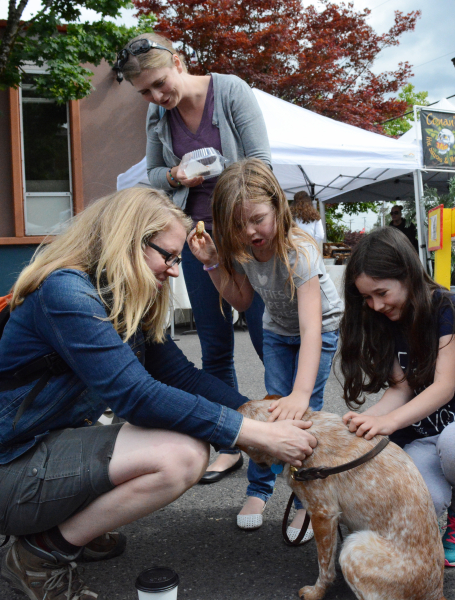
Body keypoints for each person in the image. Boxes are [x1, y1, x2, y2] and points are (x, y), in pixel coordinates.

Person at [0, 188, 317, 600]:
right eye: (170, 256)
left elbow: (181, 376)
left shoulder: (120, 296)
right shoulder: (66, 292)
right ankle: (40, 553)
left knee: (184, 438)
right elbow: (135, 396)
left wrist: (259, 414)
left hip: (38, 448)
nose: (175, 270)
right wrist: (252, 434)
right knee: (182, 456)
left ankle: (71, 526)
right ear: (131, 241)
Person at [116, 32, 271, 482]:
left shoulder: (231, 90)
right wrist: (177, 174)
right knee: (214, 344)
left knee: (268, 342)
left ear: (179, 62)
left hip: (243, 235)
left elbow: (260, 163)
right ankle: (233, 442)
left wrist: (225, 179)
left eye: (159, 84)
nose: (156, 97)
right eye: (144, 92)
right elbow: (153, 175)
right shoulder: (157, 115)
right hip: (198, 237)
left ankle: (286, 433)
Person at [188, 158, 343, 541]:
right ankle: (259, 490)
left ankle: (309, 500)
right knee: (272, 410)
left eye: (258, 218)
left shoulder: (299, 252)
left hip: (318, 330)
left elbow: (311, 328)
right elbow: (241, 301)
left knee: (305, 413)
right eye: (238, 225)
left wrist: (301, 393)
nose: (250, 231)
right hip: (276, 329)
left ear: (277, 205)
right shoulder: (243, 250)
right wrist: (211, 265)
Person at [337, 227, 455, 568]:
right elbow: (401, 388)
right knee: (424, 499)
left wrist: (387, 422)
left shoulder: (449, 307)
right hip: (419, 439)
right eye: (367, 298)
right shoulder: (383, 320)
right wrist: (369, 421)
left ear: (407, 273)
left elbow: (444, 388)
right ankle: (436, 515)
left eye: (381, 293)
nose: (376, 305)